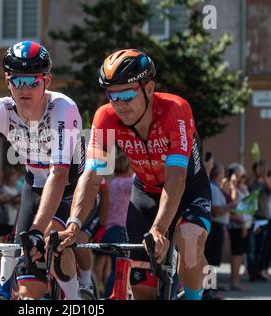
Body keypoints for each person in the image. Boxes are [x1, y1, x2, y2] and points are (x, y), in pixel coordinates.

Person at [56, 49, 212, 300]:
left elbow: (177, 178)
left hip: (187, 189)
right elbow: (92, 176)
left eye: (127, 94)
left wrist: (160, 229)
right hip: (145, 191)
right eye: (112, 96)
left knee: (190, 242)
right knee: (142, 291)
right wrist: (74, 223)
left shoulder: (175, 109)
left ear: (149, 88)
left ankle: (194, 296)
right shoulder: (105, 117)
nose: (119, 104)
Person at [0, 41, 88, 300]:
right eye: (18, 81)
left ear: (47, 80)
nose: (24, 89)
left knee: (52, 239)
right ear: (8, 80)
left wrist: (38, 230)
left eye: (33, 82)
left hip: (70, 186)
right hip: (34, 186)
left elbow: (59, 174)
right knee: (30, 293)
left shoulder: (64, 108)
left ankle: (76, 299)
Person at [96, 150, 133, 298]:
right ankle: (110, 295)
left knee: (110, 267)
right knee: (118, 269)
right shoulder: (126, 183)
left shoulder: (112, 183)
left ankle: (100, 292)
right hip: (119, 229)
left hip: (107, 229)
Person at [203, 163, 236, 299]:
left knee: (212, 259)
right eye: (222, 172)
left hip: (217, 227)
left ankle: (211, 288)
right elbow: (216, 210)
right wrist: (230, 206)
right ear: (217, 174)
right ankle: (207, 290)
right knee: (210, 258)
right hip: (215, 226)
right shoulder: (214, 188)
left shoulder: (217, 188)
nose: (224, 175)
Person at [246, 160, 271, 281]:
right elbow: (247, 186)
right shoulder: (252, 181)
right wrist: (255, 174)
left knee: (261, 248)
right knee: (251, 248)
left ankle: (259, 272)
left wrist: (263, 175)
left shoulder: (266, 182)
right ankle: (252, 272)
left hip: (264, 219)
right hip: (253, 218)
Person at [223, 163, 250, 291]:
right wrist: (234, 187)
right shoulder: (228, 186)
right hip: (236, 226)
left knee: (240, 254)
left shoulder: (242, 187)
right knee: (236, 254)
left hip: (244, 225)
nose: (243, 178)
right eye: (241, 175)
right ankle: (234, 282)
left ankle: (236, 281)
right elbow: (231, 207)